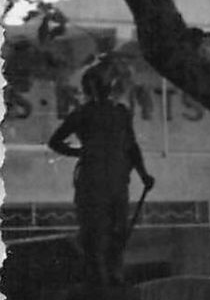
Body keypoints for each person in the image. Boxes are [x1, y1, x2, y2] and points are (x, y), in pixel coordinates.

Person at [48, 58, 155, 286]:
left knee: (118, 229)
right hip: (94, 181)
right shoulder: (83, 114)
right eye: (99, 84)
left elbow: (132, 145)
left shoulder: (120, 113)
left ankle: (114, 272)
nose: (104, 87)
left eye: (105, 83)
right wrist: (80, 153)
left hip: (116, 179)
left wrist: (143, 174)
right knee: (96, 230)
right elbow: (55, 141)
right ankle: (99, 276)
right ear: (92, 89)